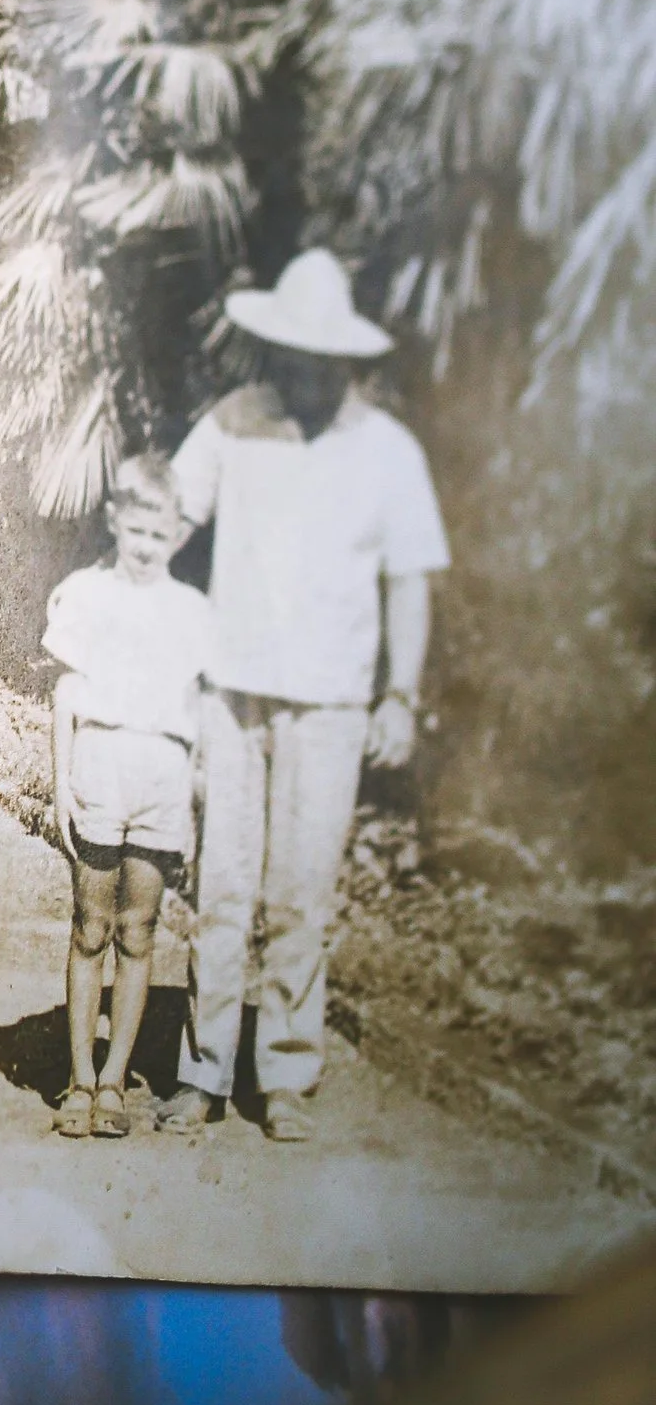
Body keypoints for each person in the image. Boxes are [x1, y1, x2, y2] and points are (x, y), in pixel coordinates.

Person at [160, 250, 448, 1145]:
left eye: (318, 358)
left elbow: (410, 581)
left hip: (330, 704)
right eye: (288, 354)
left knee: (301, 893)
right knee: (222, 885)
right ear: (274, 351)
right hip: (235, 689)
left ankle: (284, 1073)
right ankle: (202, 1072)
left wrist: (399, 694)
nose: (301, 371)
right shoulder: (235, 422)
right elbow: (166, 516)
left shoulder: (390, 452)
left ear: (346, 362)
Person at [42, 455, 212, 1138]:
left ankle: (115, 1082)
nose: (146, 545)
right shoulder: (85, 593)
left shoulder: (193, 612)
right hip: (102, 769)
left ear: (178, 533)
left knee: (139, 932)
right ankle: (78, 1079)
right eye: (135, 530)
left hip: (163, 780)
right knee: (91, 927)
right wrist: (60, 786)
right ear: (115, 521)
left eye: (159, 532)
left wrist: (193, 809)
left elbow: (197, 717)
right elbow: (65, 695)